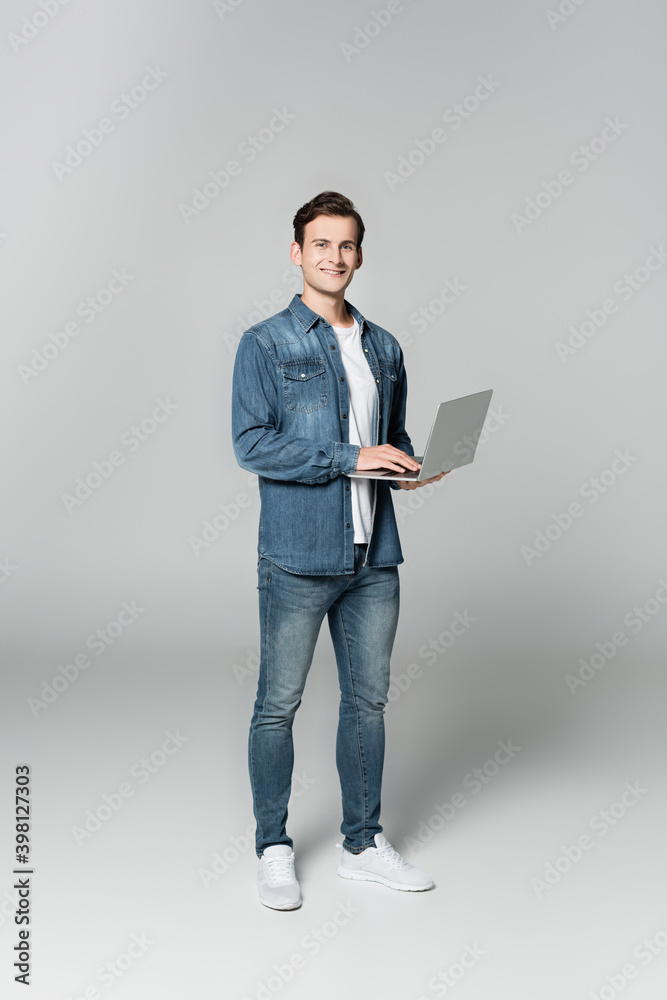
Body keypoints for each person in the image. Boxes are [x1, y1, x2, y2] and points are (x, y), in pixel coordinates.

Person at [231, 190, 448, 910]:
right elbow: (252, 443)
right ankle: (273, 846)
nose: (335, 257)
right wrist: (352, 457)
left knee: (368, 703)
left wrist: (411, 465)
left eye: (347, 245)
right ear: (297, 253)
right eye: (320, 244)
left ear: (360, 254)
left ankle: (362, 843)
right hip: (297, 555)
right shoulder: (265, 343)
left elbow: (395, 436)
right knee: (278, 705)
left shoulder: (383, 345)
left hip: (372, 557)